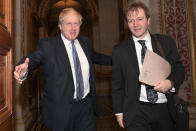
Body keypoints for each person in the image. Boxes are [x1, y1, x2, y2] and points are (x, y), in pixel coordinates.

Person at [14, 8, 112, 131]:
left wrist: (118, 59)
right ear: (60, 26)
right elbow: (34, 58)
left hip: (86, 108)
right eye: (68, 24)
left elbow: (96, 57)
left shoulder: (85, 42)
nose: (73, 28)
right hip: (61, 111)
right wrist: (24, 68)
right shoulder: (48, 45)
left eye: (76, 23)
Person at [111, 2, 185, 131]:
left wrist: (170, 83)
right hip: (136, 111)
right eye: (131, 21)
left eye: (139, 19)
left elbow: (179, 69)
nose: (135, 24)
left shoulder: (166, 42)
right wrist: (119, 113)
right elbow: (117, 85)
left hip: (164, 109)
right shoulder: (119, 50)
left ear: (148, 20)